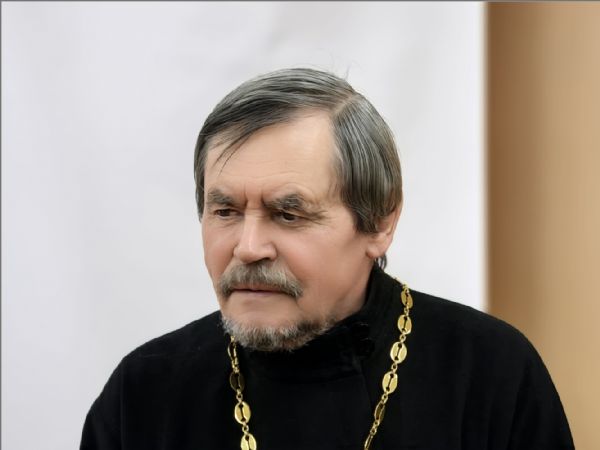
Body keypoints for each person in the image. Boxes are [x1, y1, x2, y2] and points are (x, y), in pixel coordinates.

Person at [80, 68, 574, 450]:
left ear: (379, 222)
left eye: (288, 214)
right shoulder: (144, 391)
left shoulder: (489, 373)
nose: (248, 247)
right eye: (225, 211)